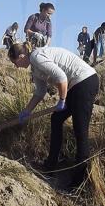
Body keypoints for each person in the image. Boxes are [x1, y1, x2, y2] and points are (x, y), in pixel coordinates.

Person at [8, 42, 99, 187]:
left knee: (80, 131)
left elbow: (62, 77)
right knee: (56, 119)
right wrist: (26, 111)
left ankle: (78, 181)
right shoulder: (35, 67)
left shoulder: (37, 57)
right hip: (75, 86)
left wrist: (62, 100)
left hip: (85, 82)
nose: (16, 66)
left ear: (21, 56)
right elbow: (40, 92)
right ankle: (50, 165)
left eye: (15, 62)